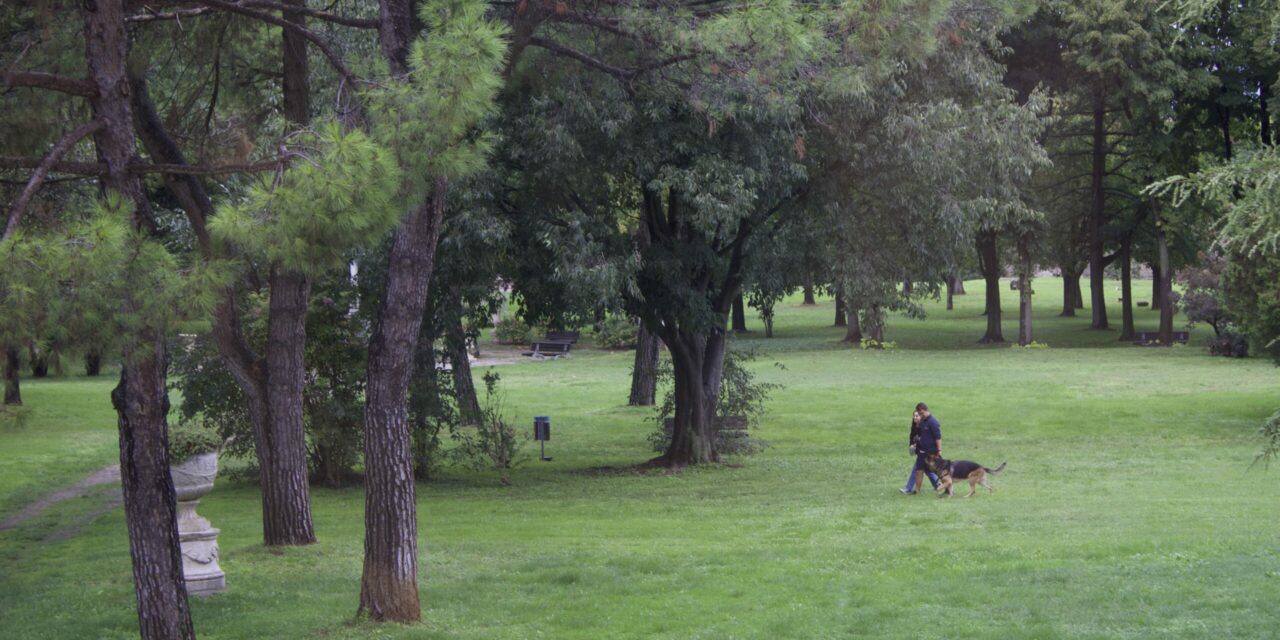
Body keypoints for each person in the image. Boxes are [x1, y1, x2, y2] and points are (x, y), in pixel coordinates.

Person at [905, 402, 942, 495]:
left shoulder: (933, 422)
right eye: (919, 413)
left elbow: (938, 438)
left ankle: (948, 488)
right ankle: (917, 491)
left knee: (938, 471)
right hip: (922, 452)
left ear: (925, 410)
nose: (920, 415)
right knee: (919, 471)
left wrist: (939, 450)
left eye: (921, 413)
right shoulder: (923, 421)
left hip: (931, 452)